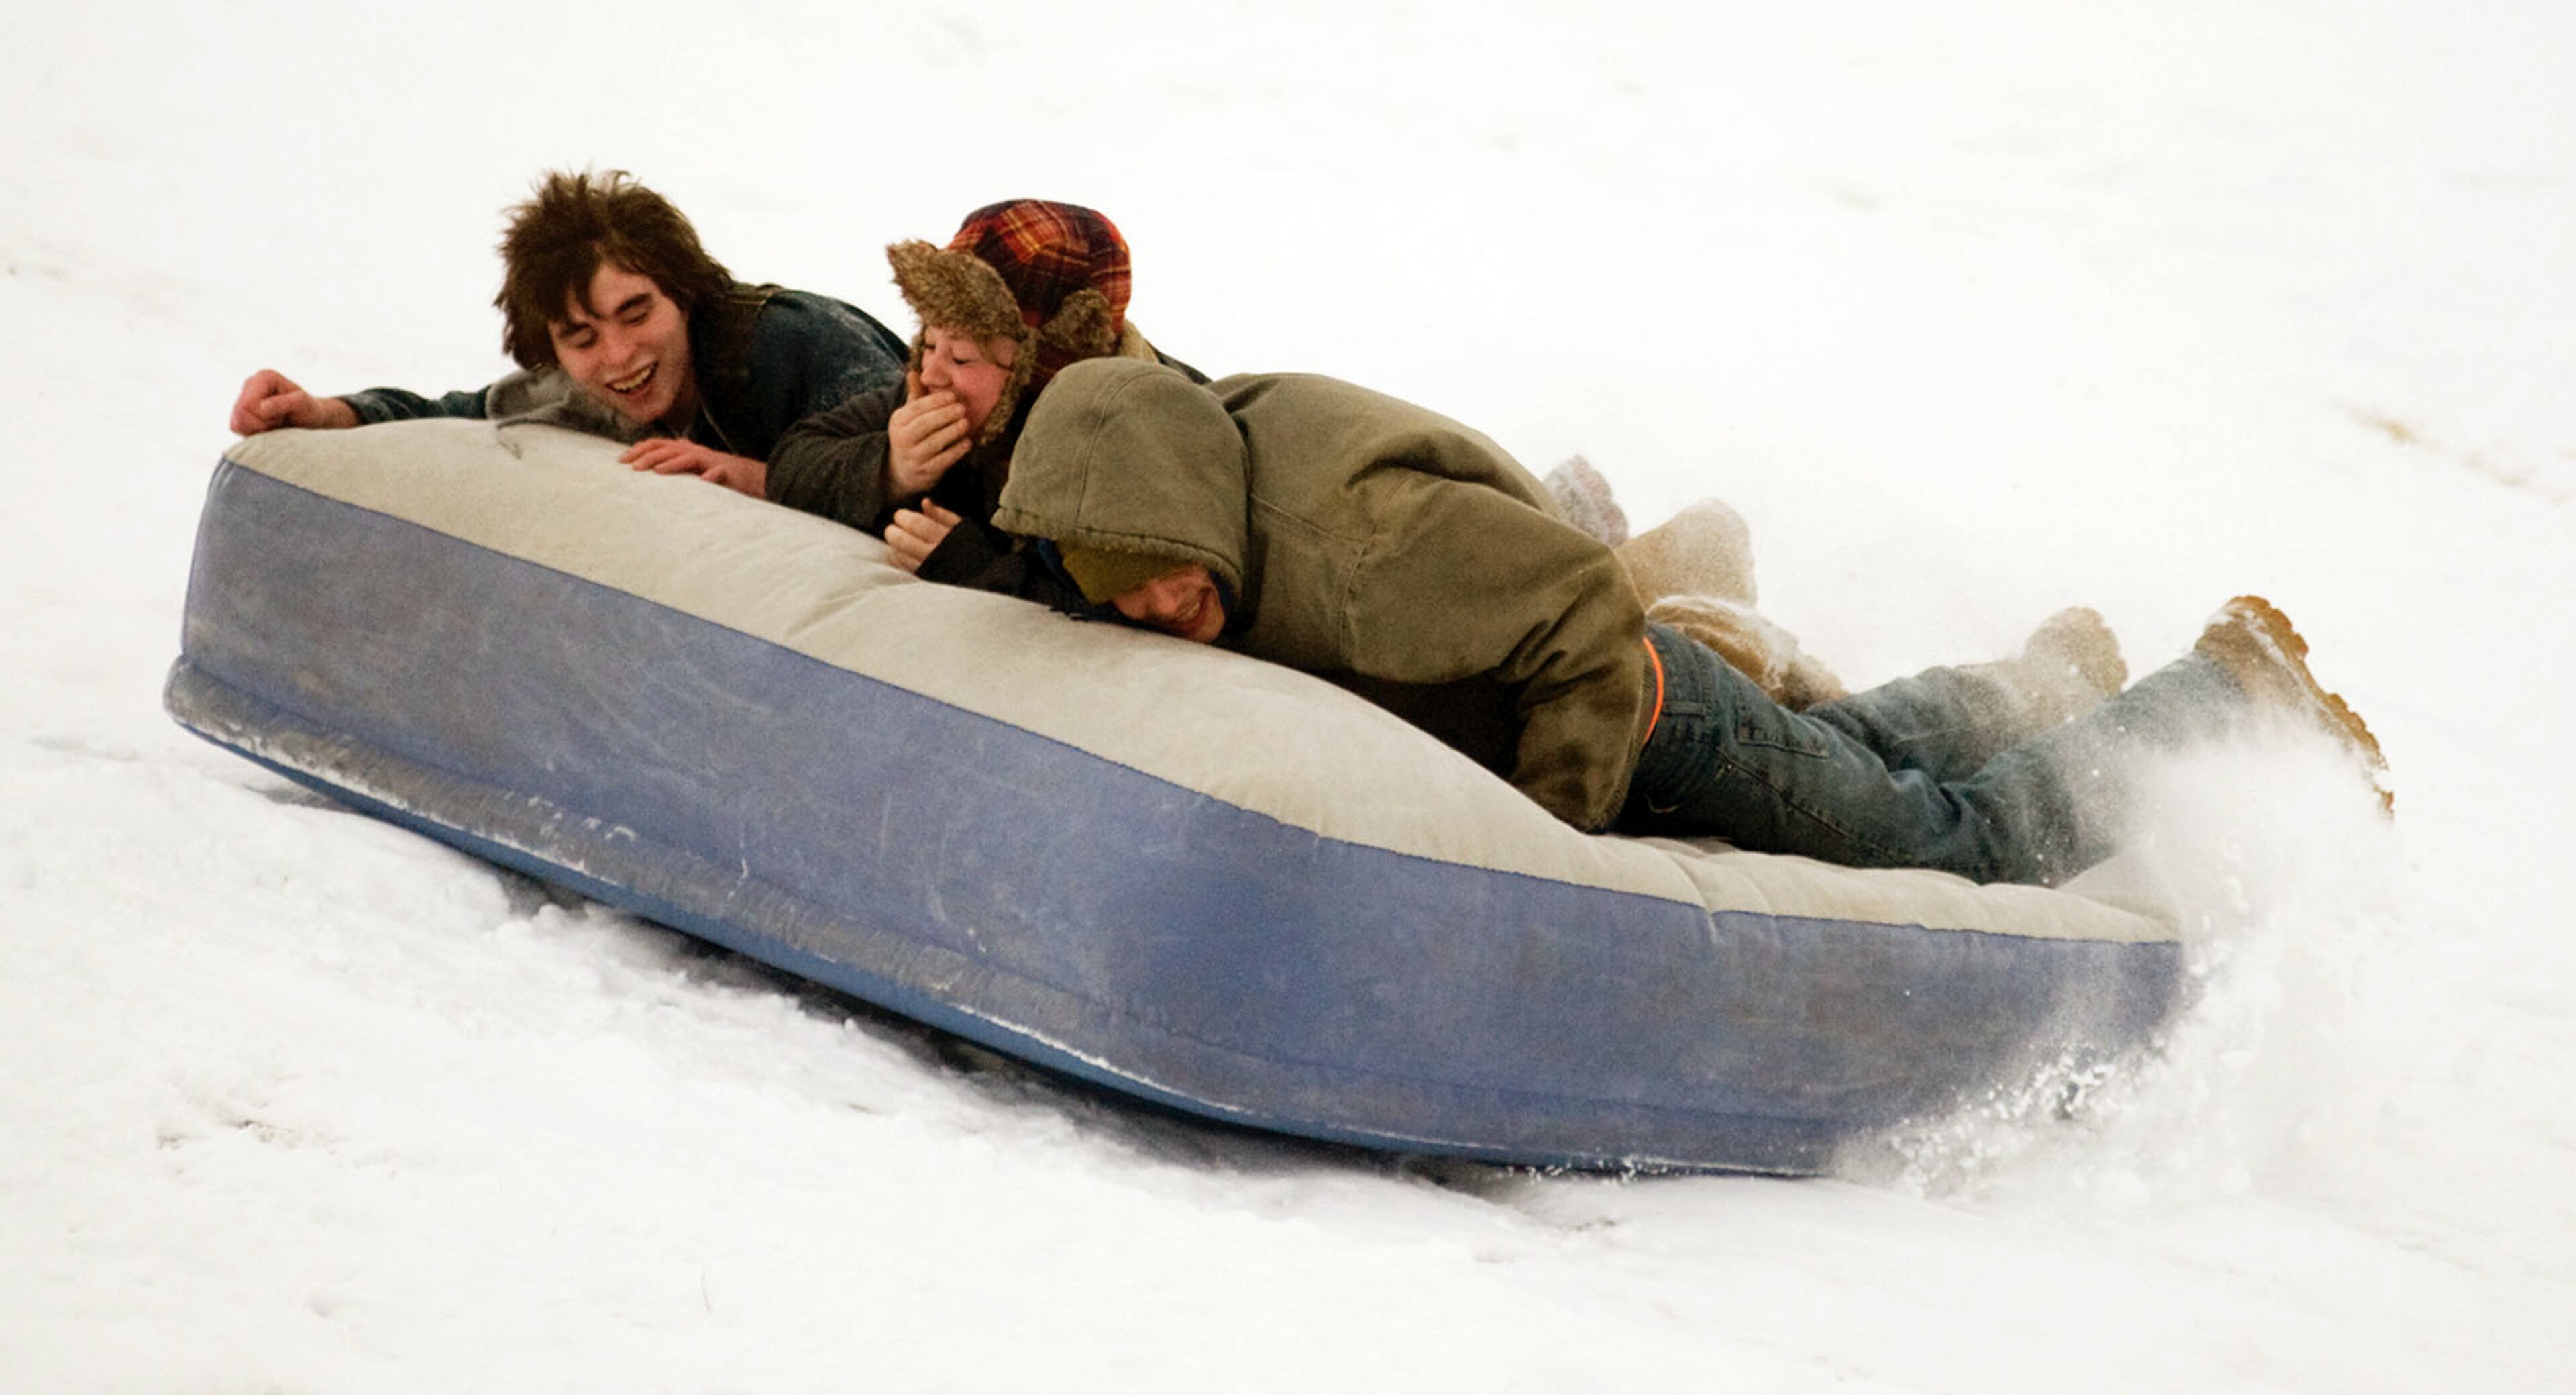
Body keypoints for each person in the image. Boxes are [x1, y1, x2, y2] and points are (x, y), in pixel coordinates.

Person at [987, 358, 2392, 886]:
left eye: (1166, 585)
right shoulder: (1167, 480)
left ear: (1191, 520)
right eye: (1129, 596)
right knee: (1848, 741)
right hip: (1612, 699)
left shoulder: (1366, 551)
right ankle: (2039, 681)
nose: (1162, 616)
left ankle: (2220, 692)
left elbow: (1588, 617)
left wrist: (1543, 847)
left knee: (1930, 840)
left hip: (1644, 714)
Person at [227, 169, 908, 496]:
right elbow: (448, 420)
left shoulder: (788, 344)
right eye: (580, 339)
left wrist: (760, 479)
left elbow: (928, 465)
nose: (618, 358)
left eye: (637, 314)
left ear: (686, 293)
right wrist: (325, 414)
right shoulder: (572, 393)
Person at [765, 199, 1202, 595]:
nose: (929, 372)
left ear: (1040, 373)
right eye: (930, 344)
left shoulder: (1129, 445)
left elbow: (1150, 607)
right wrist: (890, 469)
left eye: (961, 358)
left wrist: (978, 566)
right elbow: (794, 459)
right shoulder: (931, 390)